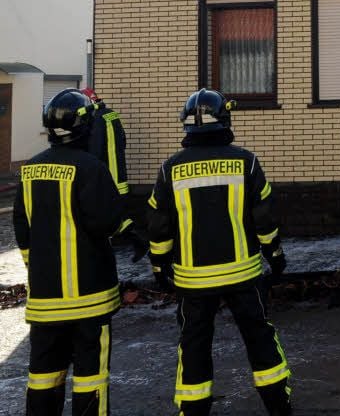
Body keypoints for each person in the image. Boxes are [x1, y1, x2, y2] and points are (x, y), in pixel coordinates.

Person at [147, 88, 291, 416]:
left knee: (194, 345)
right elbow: (264, 219)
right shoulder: (246, 162)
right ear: (225, 119)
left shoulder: (170, 168)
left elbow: (158, 225)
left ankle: (193, 409)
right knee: (259, 338)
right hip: (243, 275)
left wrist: (159, 266)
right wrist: (276, 255)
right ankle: (279, 406)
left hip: (193, 280)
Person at [13, 88, 124, 416]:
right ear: (84, 126)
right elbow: (108, 222)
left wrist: (40, 269)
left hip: (45, 300)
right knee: (91, 377)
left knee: (43, 376)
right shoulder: (91, 168)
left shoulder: (29, 170)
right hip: (90, 297)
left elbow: (23, 230)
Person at [79, 88, 147, 261]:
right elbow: (123, 140)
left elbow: (94, 150)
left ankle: (114, 245)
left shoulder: (95, 119)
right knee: (117, 212)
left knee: (105, 212)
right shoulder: (111, 114)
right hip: (119, 174)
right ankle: (136, 238)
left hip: (106, 175)